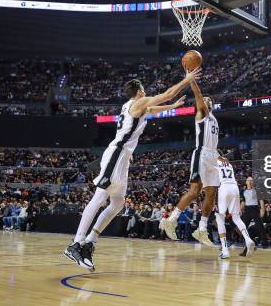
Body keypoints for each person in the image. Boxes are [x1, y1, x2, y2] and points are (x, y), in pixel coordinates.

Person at [64, 69, 200, 270]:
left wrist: (174, 106)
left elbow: (155, 110)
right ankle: (76, 243)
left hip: (123, 158)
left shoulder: (133, 106)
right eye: (144, 89)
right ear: (139, 91)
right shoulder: (138, 102)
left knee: (117, 203)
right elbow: (166, 94)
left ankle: (90, 241)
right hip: (116, 154)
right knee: (99, 197)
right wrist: (186, 80)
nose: (145, 92)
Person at [162, 76, 220, 246]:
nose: (205, 100)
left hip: (213, 156)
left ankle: (201, 229)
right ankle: (171, 220)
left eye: (208, 99)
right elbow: (197, 93)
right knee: (195, 191)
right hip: (201, 153)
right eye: (204, 99)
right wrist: (191, 79)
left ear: (212, 104)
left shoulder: (213, 119)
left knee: (211, 195)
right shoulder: (201, 113)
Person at [213, 157, 255, 259]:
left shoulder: (214, 163)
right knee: (236, 218)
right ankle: (248, 239)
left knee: (219, 219)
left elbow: (212, 183)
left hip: (224, 188)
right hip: (234, 187)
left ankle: (225, 250)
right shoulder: (228, 163)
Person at [240, 177, 267, 247]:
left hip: (255, 209)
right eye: (248, 180)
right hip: (247, 209)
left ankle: (264, 242)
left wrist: (262, 209)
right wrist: (239, 210)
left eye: (251, 180)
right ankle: (248, 240)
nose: (249, 181)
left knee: (260, 226)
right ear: (246, 182)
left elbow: (261, 200)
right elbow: (243, 201)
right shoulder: (243, 191)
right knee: (242, 225)